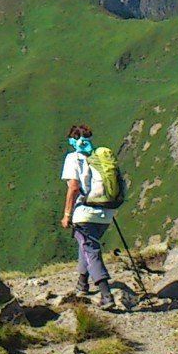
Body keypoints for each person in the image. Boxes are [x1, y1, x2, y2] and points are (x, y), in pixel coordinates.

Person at [61, 123, 116, 310]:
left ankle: (106, 295)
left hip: (84, 213)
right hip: (106, 213)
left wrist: (67, 214)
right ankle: (82, 284)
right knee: (86, 246)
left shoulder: (73, 158)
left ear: (72, 140)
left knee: (91, 251)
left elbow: (74, 187)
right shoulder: (97, 158)